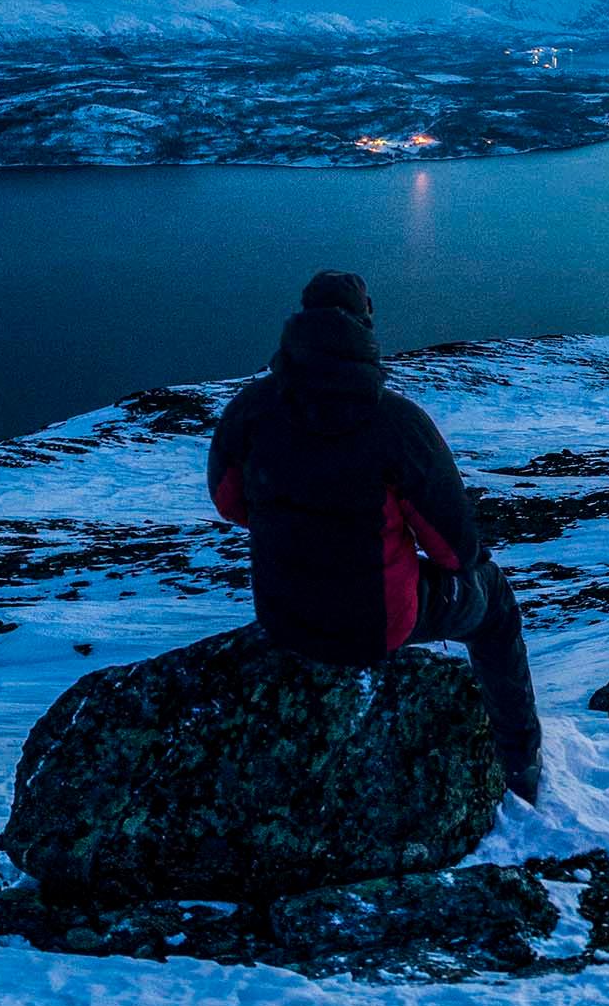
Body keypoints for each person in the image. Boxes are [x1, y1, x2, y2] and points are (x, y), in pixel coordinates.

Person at [202, 269, 545, 801]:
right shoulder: (394, 423)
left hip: (282, 615)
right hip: (376, 624)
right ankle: (520, 765)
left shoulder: (251, 409)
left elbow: (227, 502)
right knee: (494, 602)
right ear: (366, 323)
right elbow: (454, 552)